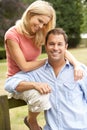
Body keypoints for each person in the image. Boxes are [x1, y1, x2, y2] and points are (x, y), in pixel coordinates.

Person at [4, 0, 83, 129]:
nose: (41, 26)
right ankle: (32, 121)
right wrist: (50, 60)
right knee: (41, 95)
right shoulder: (12, 35)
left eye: (45, 23)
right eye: (39, 21)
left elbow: (60, 48)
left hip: (35, 74)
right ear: (30, 14)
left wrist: (76, 65)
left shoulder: (40, 32)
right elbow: (24, 66)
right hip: (19, 79)